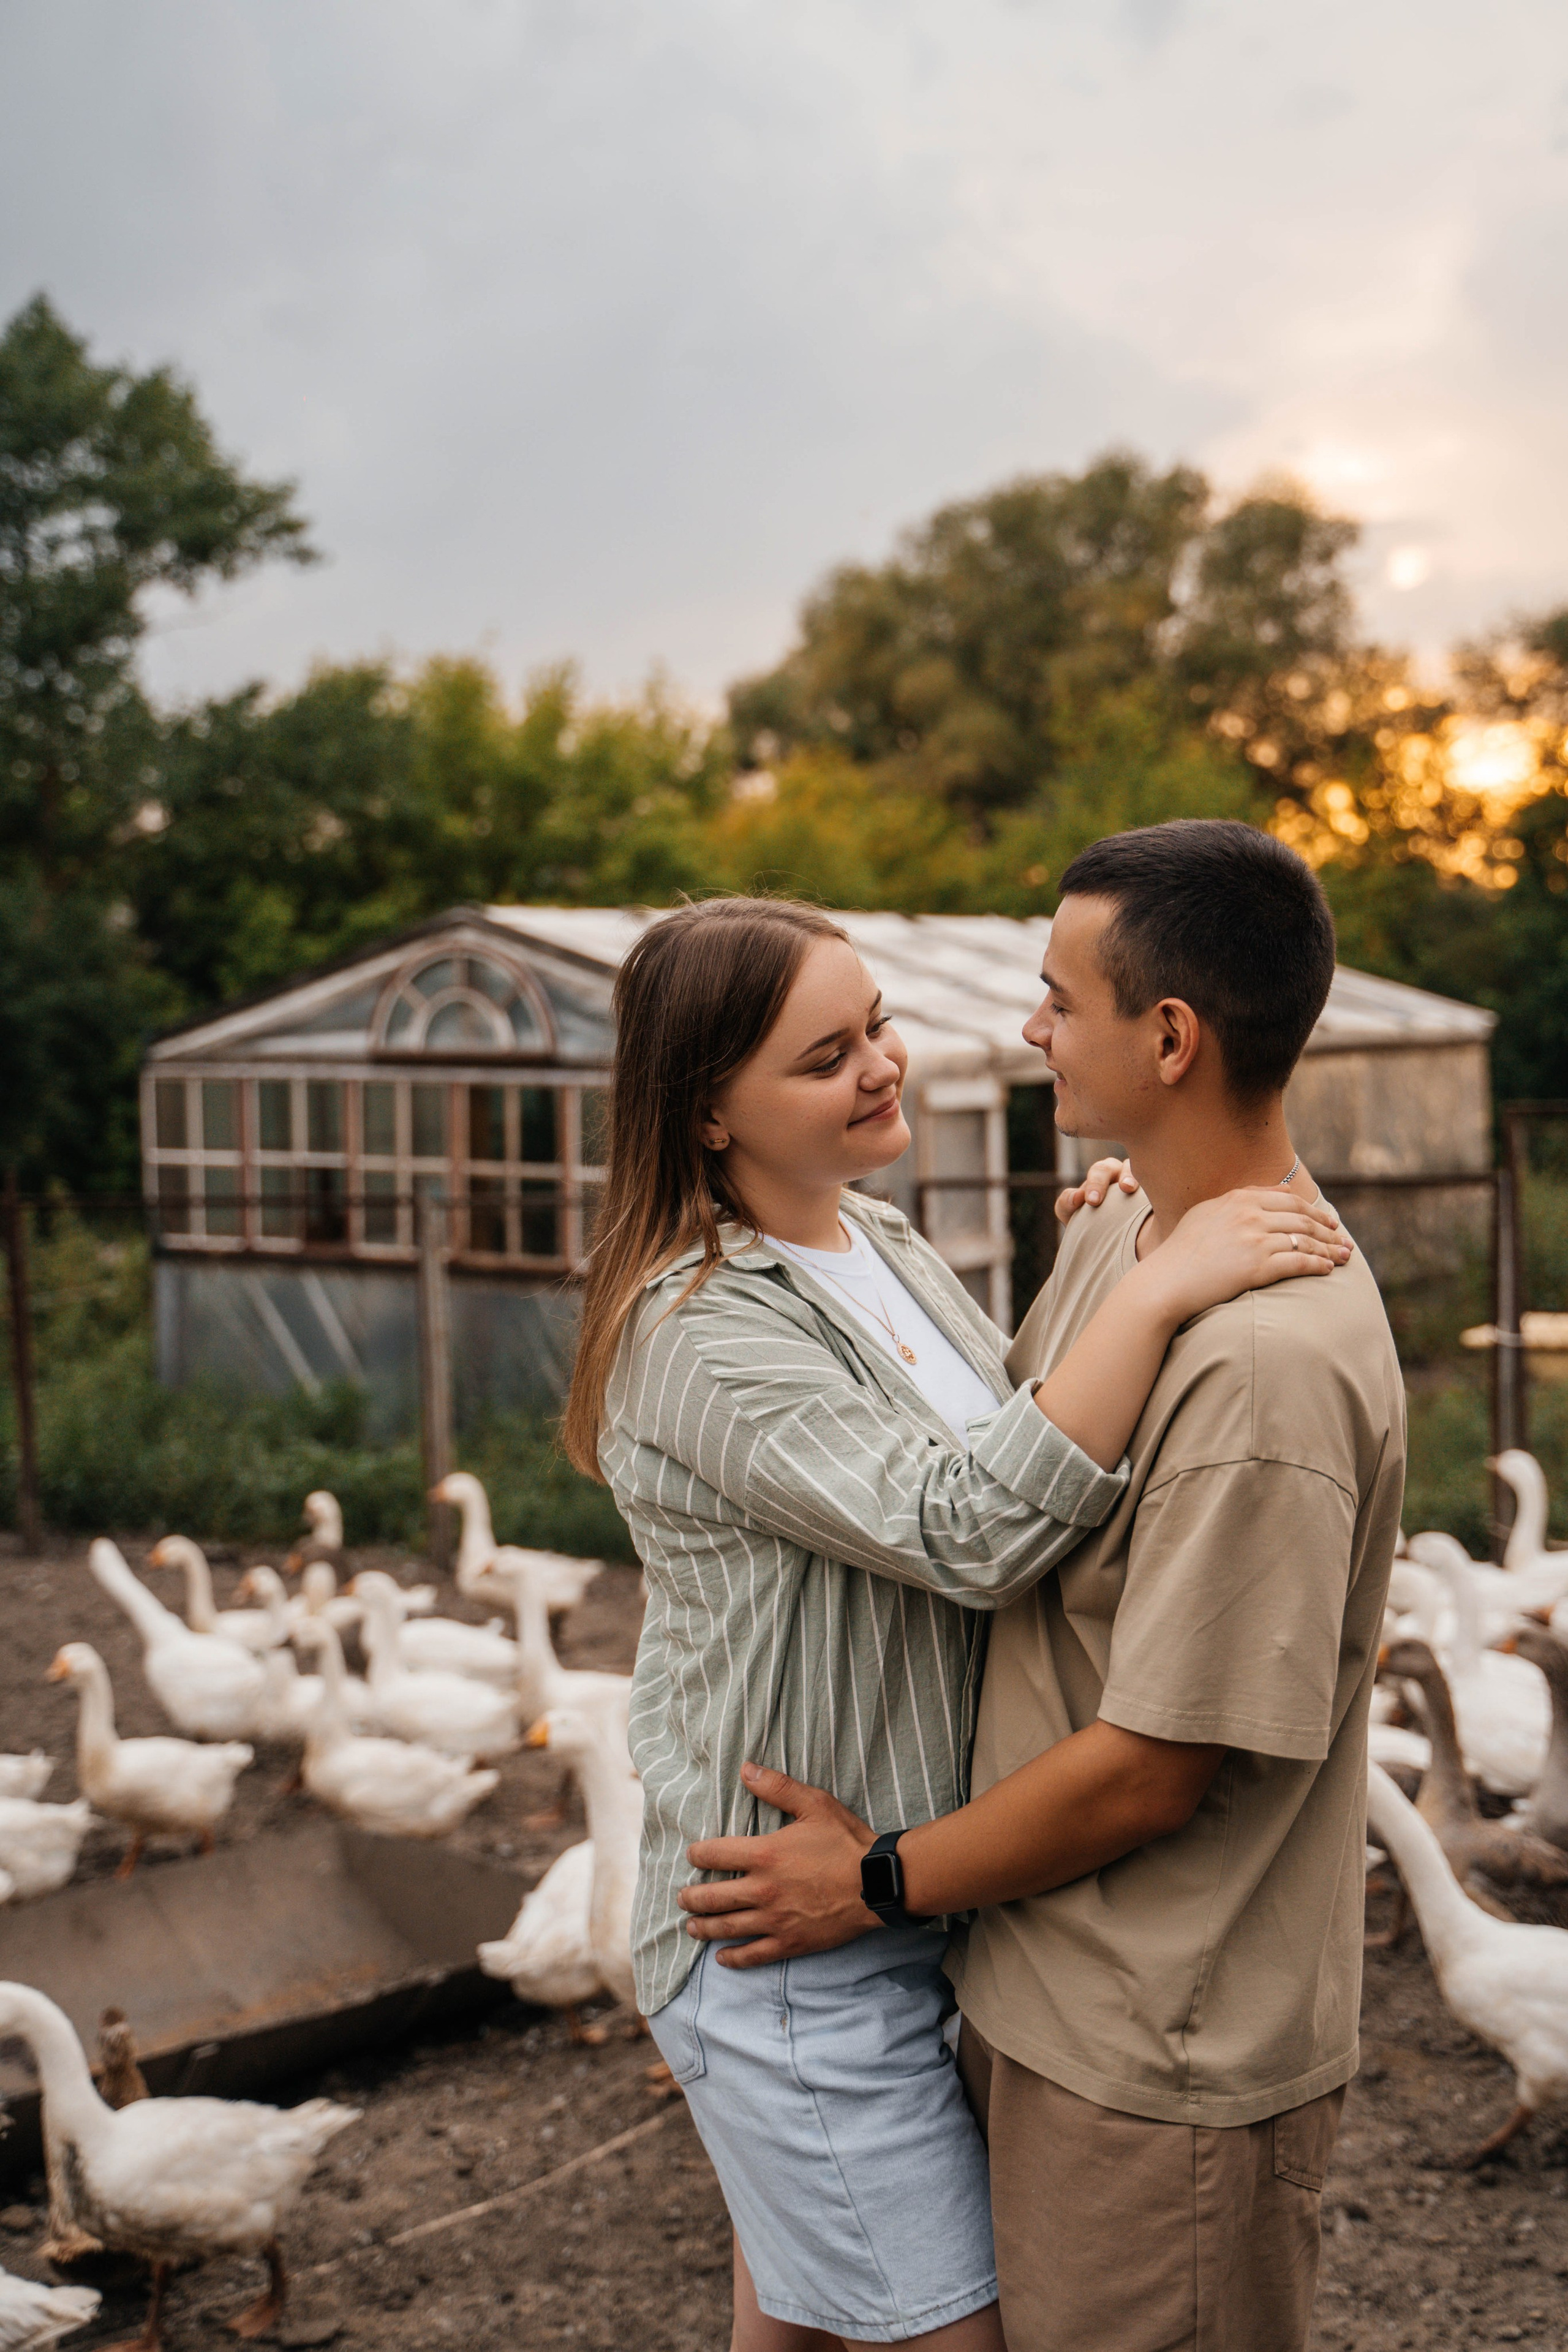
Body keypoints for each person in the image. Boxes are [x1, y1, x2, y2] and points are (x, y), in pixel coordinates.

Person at [562, 888, 1349, 2352]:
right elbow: (963, 1527)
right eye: (820, 1059)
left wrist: (1103, 1265)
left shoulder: (876, 1241)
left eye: (875, 1026)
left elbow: (992, 1437)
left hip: (893, 1892)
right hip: (787, 1942)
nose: (880, 1066)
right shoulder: (699, 1326)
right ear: (706, 1113)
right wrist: (1160, 1283)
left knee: (795, 2312)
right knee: (950, 2333)